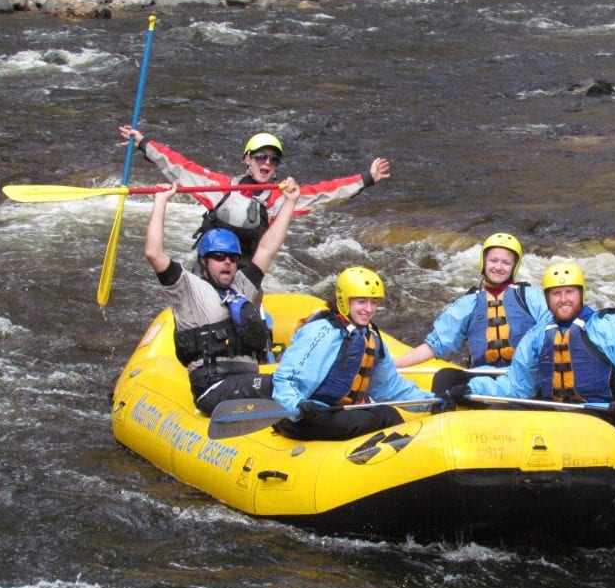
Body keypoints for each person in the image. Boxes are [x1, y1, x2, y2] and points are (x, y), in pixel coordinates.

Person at [435, 261, 615, 433]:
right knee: (494, 418)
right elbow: (516, 385)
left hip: (601, 416)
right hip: (553, 417)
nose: (563, 299)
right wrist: (474, 390)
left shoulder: (607, 326)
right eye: (556, 293)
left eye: (569, 292)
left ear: (581, 293)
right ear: (547, 298)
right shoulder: (537, 335)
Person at [144, 178, 302, 416]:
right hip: (213, 387)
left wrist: (290, 202)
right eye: (219, 256)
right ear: (204, 262)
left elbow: (268, 248)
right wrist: (161, 202)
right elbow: (153, 253)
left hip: (246, 381)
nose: (227, 262)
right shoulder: (187, 289)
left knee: (301, 379)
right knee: (280, 384)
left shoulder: (242, 285)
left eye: (232, 257)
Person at [119, 125, 391, 258]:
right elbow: (179, 167)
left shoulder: (281, 198)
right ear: (247, 159)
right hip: (210, 268)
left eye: (274, 160)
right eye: (261, 156)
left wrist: (367, 178)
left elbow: (326, 193)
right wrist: (144, 143)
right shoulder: (220, 187)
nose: (267, 163)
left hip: (248, 273)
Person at [272, 267, 437, 441]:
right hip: (303, 415)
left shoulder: (370, 336)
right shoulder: (321, 331)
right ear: (344, 300)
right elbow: (285, 379)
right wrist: (296, 404)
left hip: (339, 412)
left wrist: (433, 402)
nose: (369, 309)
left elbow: (388, 386)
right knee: (363, 421)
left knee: (388, 414)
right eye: (361, 302)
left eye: (374, 302)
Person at [394, 232, 551, 369]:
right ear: (484, 262)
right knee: (444, 379)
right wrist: (396, 364)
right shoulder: (469, 303)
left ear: (514, 267)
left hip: (526, 376)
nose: (498, 267)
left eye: (506, 262)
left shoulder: (529, 296)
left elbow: (556, 328)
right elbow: (436, 344)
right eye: (493, 260)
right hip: (484, 378)